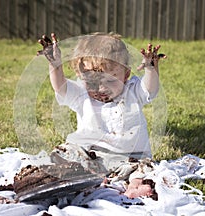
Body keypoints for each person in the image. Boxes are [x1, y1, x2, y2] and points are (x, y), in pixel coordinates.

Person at [37, 32, 166, 199]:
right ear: (80, 76)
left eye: (111, 81)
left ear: (126, 75)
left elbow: (150, 89)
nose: (101, 88)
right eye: (91, 82)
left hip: (129, 158)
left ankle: (136, 185)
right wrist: (55, 65)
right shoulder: (81, 94)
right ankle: (83, 178)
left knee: (143, 169)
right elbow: (61, 87)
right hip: (91, 156)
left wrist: (151, 69)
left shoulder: (132, 91)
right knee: (66, 153)